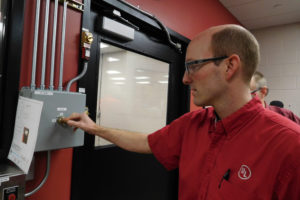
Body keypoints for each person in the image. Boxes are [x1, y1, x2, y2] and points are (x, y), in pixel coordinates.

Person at [65, 25, 300, 199]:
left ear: (230, 66)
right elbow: (147, 141)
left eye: (193, 66)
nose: (185, 79)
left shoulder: (289, 146)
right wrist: (94, 128)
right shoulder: (194, 124)